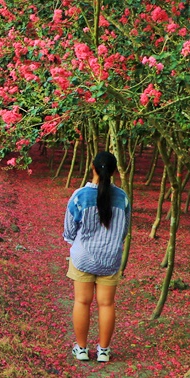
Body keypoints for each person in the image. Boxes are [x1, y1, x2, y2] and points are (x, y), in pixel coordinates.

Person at [63, 150, 131, 363]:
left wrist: (79, 244)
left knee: (82, 302)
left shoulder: (80, 196)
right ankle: (103, 351)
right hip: (110, 259)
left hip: (83, 257)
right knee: (106, 304)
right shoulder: (122, 198)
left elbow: (69, 231)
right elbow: (124, 230)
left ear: (92, 168)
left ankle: (81, 349)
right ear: (113, 172)